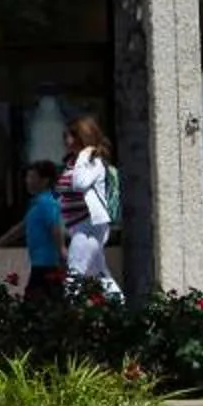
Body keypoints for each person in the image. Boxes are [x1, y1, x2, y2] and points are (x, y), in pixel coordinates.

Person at [0, 160, 66, 299]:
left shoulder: (47, 203)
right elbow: (22, 227)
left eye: (32, 177)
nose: (27, 181)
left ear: (45, 181)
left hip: (47, 265)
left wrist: (61, 251)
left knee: (37, 305)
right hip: (39, 264)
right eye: (27, 177)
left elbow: (55, 227)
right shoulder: (37, 203)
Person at [59, 117, 115, 284]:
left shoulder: (92, 162)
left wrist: (85, 153)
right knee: (102, 277)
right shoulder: (73, 162)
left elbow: (80, 184)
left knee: (73, 277)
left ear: (82, 137)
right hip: (77, 226)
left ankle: (71, 310)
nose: (66, 141)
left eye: (70, 136)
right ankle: (120, 306)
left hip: (88, 225)